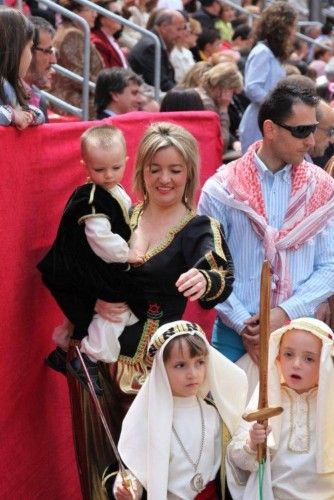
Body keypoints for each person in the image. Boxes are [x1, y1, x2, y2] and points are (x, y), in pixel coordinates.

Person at [59, 122, 234, 499]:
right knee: (106, 463)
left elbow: (218, 270)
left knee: (156, 466)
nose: (164, 179)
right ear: (140, 169)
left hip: (162, 370)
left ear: (190, 172)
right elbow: (77, 264)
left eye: (175, 169)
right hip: (102, 358)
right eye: (155, 169)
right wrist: (93, 300)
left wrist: (205, 280)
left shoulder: (199, 227)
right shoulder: (121, 215)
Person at [198, 77, 334, 370]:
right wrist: (247, 326)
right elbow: (209, 265)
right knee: (232, 417)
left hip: (303, 337)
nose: (311, 141)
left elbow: (330, 266)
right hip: (235, 336)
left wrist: (282, 314)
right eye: (301, 131)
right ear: (270, 129)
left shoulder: (323, 188)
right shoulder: (221, 188)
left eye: (313, 129)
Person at [38, 125, 146, 395]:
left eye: (115, 167)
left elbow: (127, 221)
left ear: (126, 162)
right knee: (119, 309)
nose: (108, 175)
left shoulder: (115, 191)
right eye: (100, 170)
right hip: (78, 268)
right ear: (85, 165)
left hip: (87, 267)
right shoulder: (92, 199)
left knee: (114, 309)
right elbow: (102, 240)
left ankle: (63, 349)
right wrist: (128, 253)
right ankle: (88, 358)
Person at [113, 320, 248, 499]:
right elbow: (134, 468)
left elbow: (231, 463)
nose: (193, 373)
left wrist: (251, 445)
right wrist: (130, 488)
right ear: (162, 369)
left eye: (199, 362)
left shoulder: (214, 413)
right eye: (180, 365)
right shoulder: (146, 418)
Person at [227, 318, 334, 499]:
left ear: (325, 363)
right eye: (288, 354)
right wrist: (253, 443)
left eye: (309, 358)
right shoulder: (265, 400)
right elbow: (238, 459)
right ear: (277, 357)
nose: (296, 364)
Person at [239, 1, 297, 153]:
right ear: (283, 27)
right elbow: (252, 88)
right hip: (258, 122)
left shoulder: (270, 53)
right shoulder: (262, 52)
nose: (294, 32)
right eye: (292, 26)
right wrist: (278, 106)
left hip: (268, 120)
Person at [51, 0, 104, 119]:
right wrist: (106, 87)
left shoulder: (68, 30)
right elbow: (78, 77)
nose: (95, 14)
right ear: (75, 13)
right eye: (90, 10)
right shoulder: (72, 35)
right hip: (76, 103)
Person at [0, 7, 45, 128]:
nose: (31, 56)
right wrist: (13, 115)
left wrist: (30, 115)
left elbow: (40, 115)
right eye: (30, 47)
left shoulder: (18, 85)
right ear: (16, 49)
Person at [128, 9, 186, 91]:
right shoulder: (151, 46)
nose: (181, 34)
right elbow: (161, 83)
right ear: (164, 27)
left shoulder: (155, 42)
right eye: (178, 29)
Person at [196, 62, 243, 152]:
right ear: (223, 88)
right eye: (232, 91)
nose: (231, 96)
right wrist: (223, 109)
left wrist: (233, 142)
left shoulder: (203, 95)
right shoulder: (207, 103)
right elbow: (221, 144)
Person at [24, 16, 57, 121]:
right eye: (47, 51)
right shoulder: (3, 96)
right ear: (26, 50)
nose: (53, 60)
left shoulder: (40, 100)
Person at [91, 0, 128, 69]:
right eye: (116, 14)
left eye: (121, 14)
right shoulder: (97, 42)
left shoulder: (110, 38)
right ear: (102, 19)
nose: (121, 17)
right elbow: (107, 76)